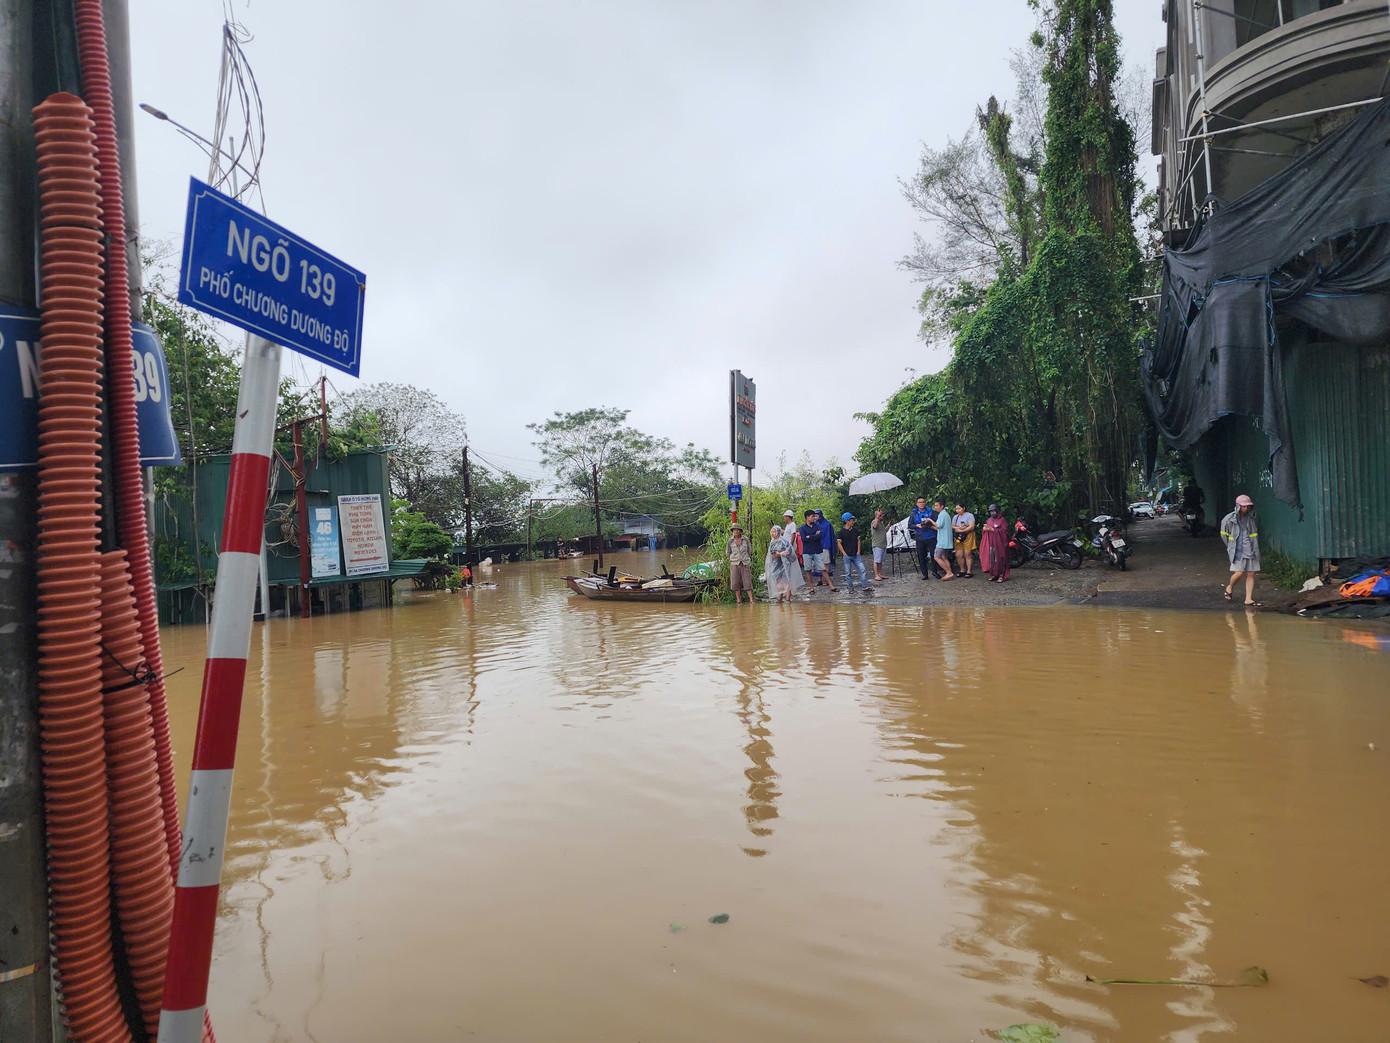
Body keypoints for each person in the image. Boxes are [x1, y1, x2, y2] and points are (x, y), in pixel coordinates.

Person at [1221, 494, 1262, 607]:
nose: (1245, 509)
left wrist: (1255, 549)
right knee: (1238, 573)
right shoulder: (1229, 519)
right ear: (1238, 506)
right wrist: (1230, 547)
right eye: (1243, 506)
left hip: (1251, 549)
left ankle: (1248, 599)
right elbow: (1224, 535)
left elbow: (1254, 535)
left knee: (1251, 573)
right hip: (1237, 550)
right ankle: (1230, 587)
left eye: (1247, 506)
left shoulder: (1251, 519)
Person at [765, 524, 804, 603]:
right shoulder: (772, 543)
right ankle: (779, 597)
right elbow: (770, 554)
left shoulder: (784, 541)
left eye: (774, 532)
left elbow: (789, 551)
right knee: (778, 580)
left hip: (785, 563)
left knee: (786, 580)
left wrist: (780, 554)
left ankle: (788, 598)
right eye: (771, 532)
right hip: (776, 564)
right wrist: (771, 562)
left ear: (778, 532)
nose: (772, 533)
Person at [798, 509, 835, 592]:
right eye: (812, 516)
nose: (814, 518)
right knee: (808, 570)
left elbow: (820, 536)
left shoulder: (817, 526)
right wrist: (814, 536)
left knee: (823, 568)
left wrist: (810, 537)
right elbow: (804, 539)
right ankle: (811, 588)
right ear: (807, 517)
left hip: (817, 550)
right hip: (807, 551)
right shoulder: (803, 528)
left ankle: (831, 585)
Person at [910, 496, 942, 580]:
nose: (922, 504)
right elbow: (910, 525)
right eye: (920, 502)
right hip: (920, 537)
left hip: (931, 536)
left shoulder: (930, 512)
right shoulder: (914, 513)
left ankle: (935, 571)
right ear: (917, 504)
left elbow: (937, 523)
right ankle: (925, 574)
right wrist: (917, 525)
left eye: (923, 502)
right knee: (921, 556)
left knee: (933, 555)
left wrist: (929, 524)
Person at [837, 512, 869, 593]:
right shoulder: (841, 532)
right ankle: (850, 588)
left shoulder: (855, 531)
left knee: (862, 570)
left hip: (855, 554)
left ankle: (865, 586)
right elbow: (839, 543)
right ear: (847, 521)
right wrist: (844, 553)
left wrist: (858, 551)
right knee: (848, 573)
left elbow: (858, 540)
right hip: (847, 555)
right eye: (851, 520)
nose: (853, 522)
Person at [980, 503, 1010, 582]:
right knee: (992, 558)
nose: (992, 513)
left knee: (1000, 558)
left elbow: (1004, 532)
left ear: (998, 511)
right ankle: (993, 574)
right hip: (991, 542)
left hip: (1000, 543)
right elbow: (985, 530)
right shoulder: (989, 520)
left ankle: (1001, 575)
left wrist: (993, 530)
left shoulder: (1002, 520)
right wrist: (985, 528)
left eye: (994, 511)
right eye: (991, 511)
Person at [727, 523, 753, 605]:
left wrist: (746, 558)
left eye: (738, 530)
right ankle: (738, 600)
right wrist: (733, 559)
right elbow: (728, 552)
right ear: (732, 531)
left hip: (745, 562)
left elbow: (750, 551)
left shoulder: (745, 539)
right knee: (735, 582)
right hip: (735, 563)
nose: (736, 531)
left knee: (747, 582)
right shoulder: (730, 541)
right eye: (734, 530)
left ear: (740, 531)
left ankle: (751, 600)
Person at [932, 498, 956, 580]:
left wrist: (929, 520)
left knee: (936, 557)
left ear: (942, 506)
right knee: (944, 557)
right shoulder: (945, 514)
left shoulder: (942, 514)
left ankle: (949, 573)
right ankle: (949, 572)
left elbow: (938, 525)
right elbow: (939, 527)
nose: (935, 507)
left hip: (942, 541)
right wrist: (930, 526)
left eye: (937, 505)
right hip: (946, 540)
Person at [952, 503, 977, 578]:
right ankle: (962, 570)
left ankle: (969, 571)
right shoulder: (956, 517)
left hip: (968, 535)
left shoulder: (969, 516)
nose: (958, 510)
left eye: (959, 508)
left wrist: (964, 530)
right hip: (958, 536)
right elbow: (953, 526)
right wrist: (958, 528)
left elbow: (972, 526)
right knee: (958, 554)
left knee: (967, 553)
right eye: (956, 509)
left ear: (964, 508)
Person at [815, 509, 837, 574]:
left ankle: (826, 579)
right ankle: (820, 579)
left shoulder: (827, 524)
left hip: (825, 545)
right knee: (817, 563)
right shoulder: (814, 524)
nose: (815, 517)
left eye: (816, 515)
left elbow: (830, 536)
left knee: (826, 562)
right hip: (817, 546)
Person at [870, 508, 889, 581]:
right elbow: (874, 527)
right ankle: (876, 575)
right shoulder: (874, 521)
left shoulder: (881, 523)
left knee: (880, 560)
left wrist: (889, 525)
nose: (883, 516)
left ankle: (880, 573)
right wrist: (877, 518)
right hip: (877, 544)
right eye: (881, 515)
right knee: (877, 560)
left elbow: (884, 530)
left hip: (883, 544)